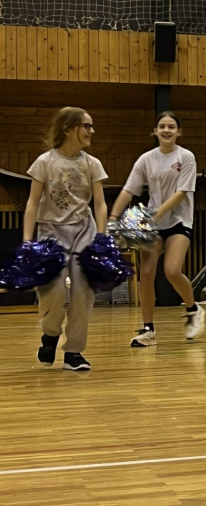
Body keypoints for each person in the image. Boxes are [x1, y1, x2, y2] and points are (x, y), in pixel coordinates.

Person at [24, 107, 109, 371]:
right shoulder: (45, 162)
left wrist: (101, 238)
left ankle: (73, 351)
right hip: (51, 233)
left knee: (83, 291)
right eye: (86, 126)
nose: (91, 131)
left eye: (91, 126)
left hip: (84, 231)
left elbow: (100, 204)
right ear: (68, 128)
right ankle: (50, 334)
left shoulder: (92, 164)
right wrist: (28, 242)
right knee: (55, 289)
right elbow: (32, 203)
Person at [110, 111, 203, 347]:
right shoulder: (145, 159)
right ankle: (148, 330)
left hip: (179, 221)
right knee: (147, 273)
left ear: (179, 132)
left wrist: (158, 213)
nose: (166, 130)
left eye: (171, 126)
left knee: (172, 270)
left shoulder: (186, 157)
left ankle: (193, 309)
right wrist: (112, 218)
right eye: (162, 126)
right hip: (153, 224)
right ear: (155, 131)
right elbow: (128, 190)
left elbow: (182, 192)